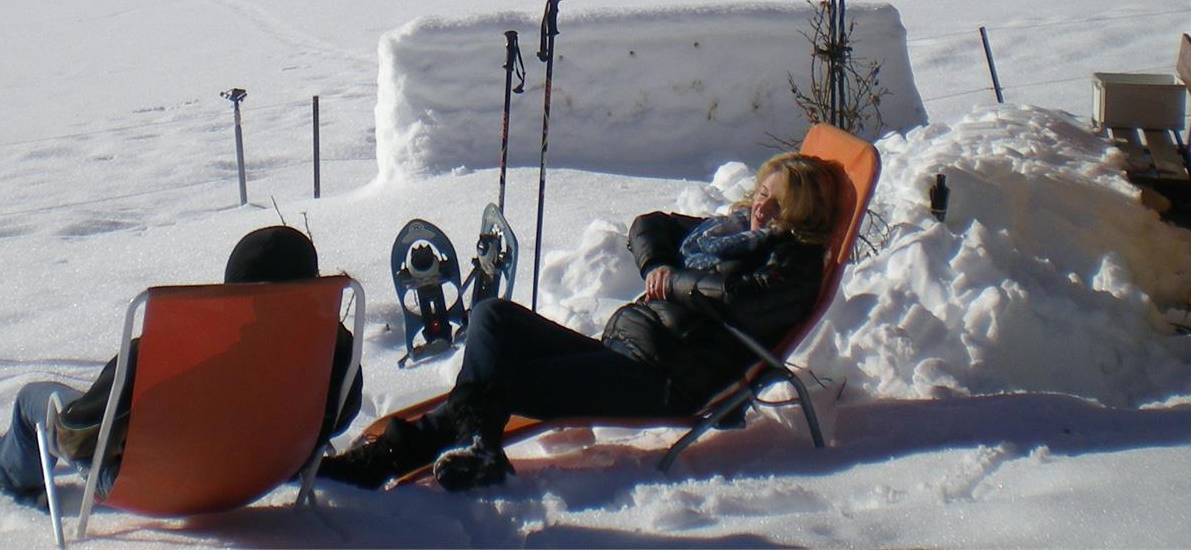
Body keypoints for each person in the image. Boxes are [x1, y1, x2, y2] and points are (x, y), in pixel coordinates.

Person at [322, 151, 836, 492]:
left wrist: (674, 282)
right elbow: (650, 225)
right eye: (762, 192)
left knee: (499, 381)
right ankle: (474, 443)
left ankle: (389, 459)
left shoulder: (793, 263)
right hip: (627, 351)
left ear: (803, 213)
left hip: (665, 379)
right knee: (492, 316)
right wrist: (659, 264)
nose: (762, 206)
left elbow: (742, 299)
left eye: (779, 200)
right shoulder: (726, 232)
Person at [0, 225, 362, 501]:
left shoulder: (172, 357)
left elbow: (78, 434)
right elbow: (340, 417)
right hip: (265, 474)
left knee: (34, 402)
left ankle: (3, 470)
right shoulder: (331, 349)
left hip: (157, 487)